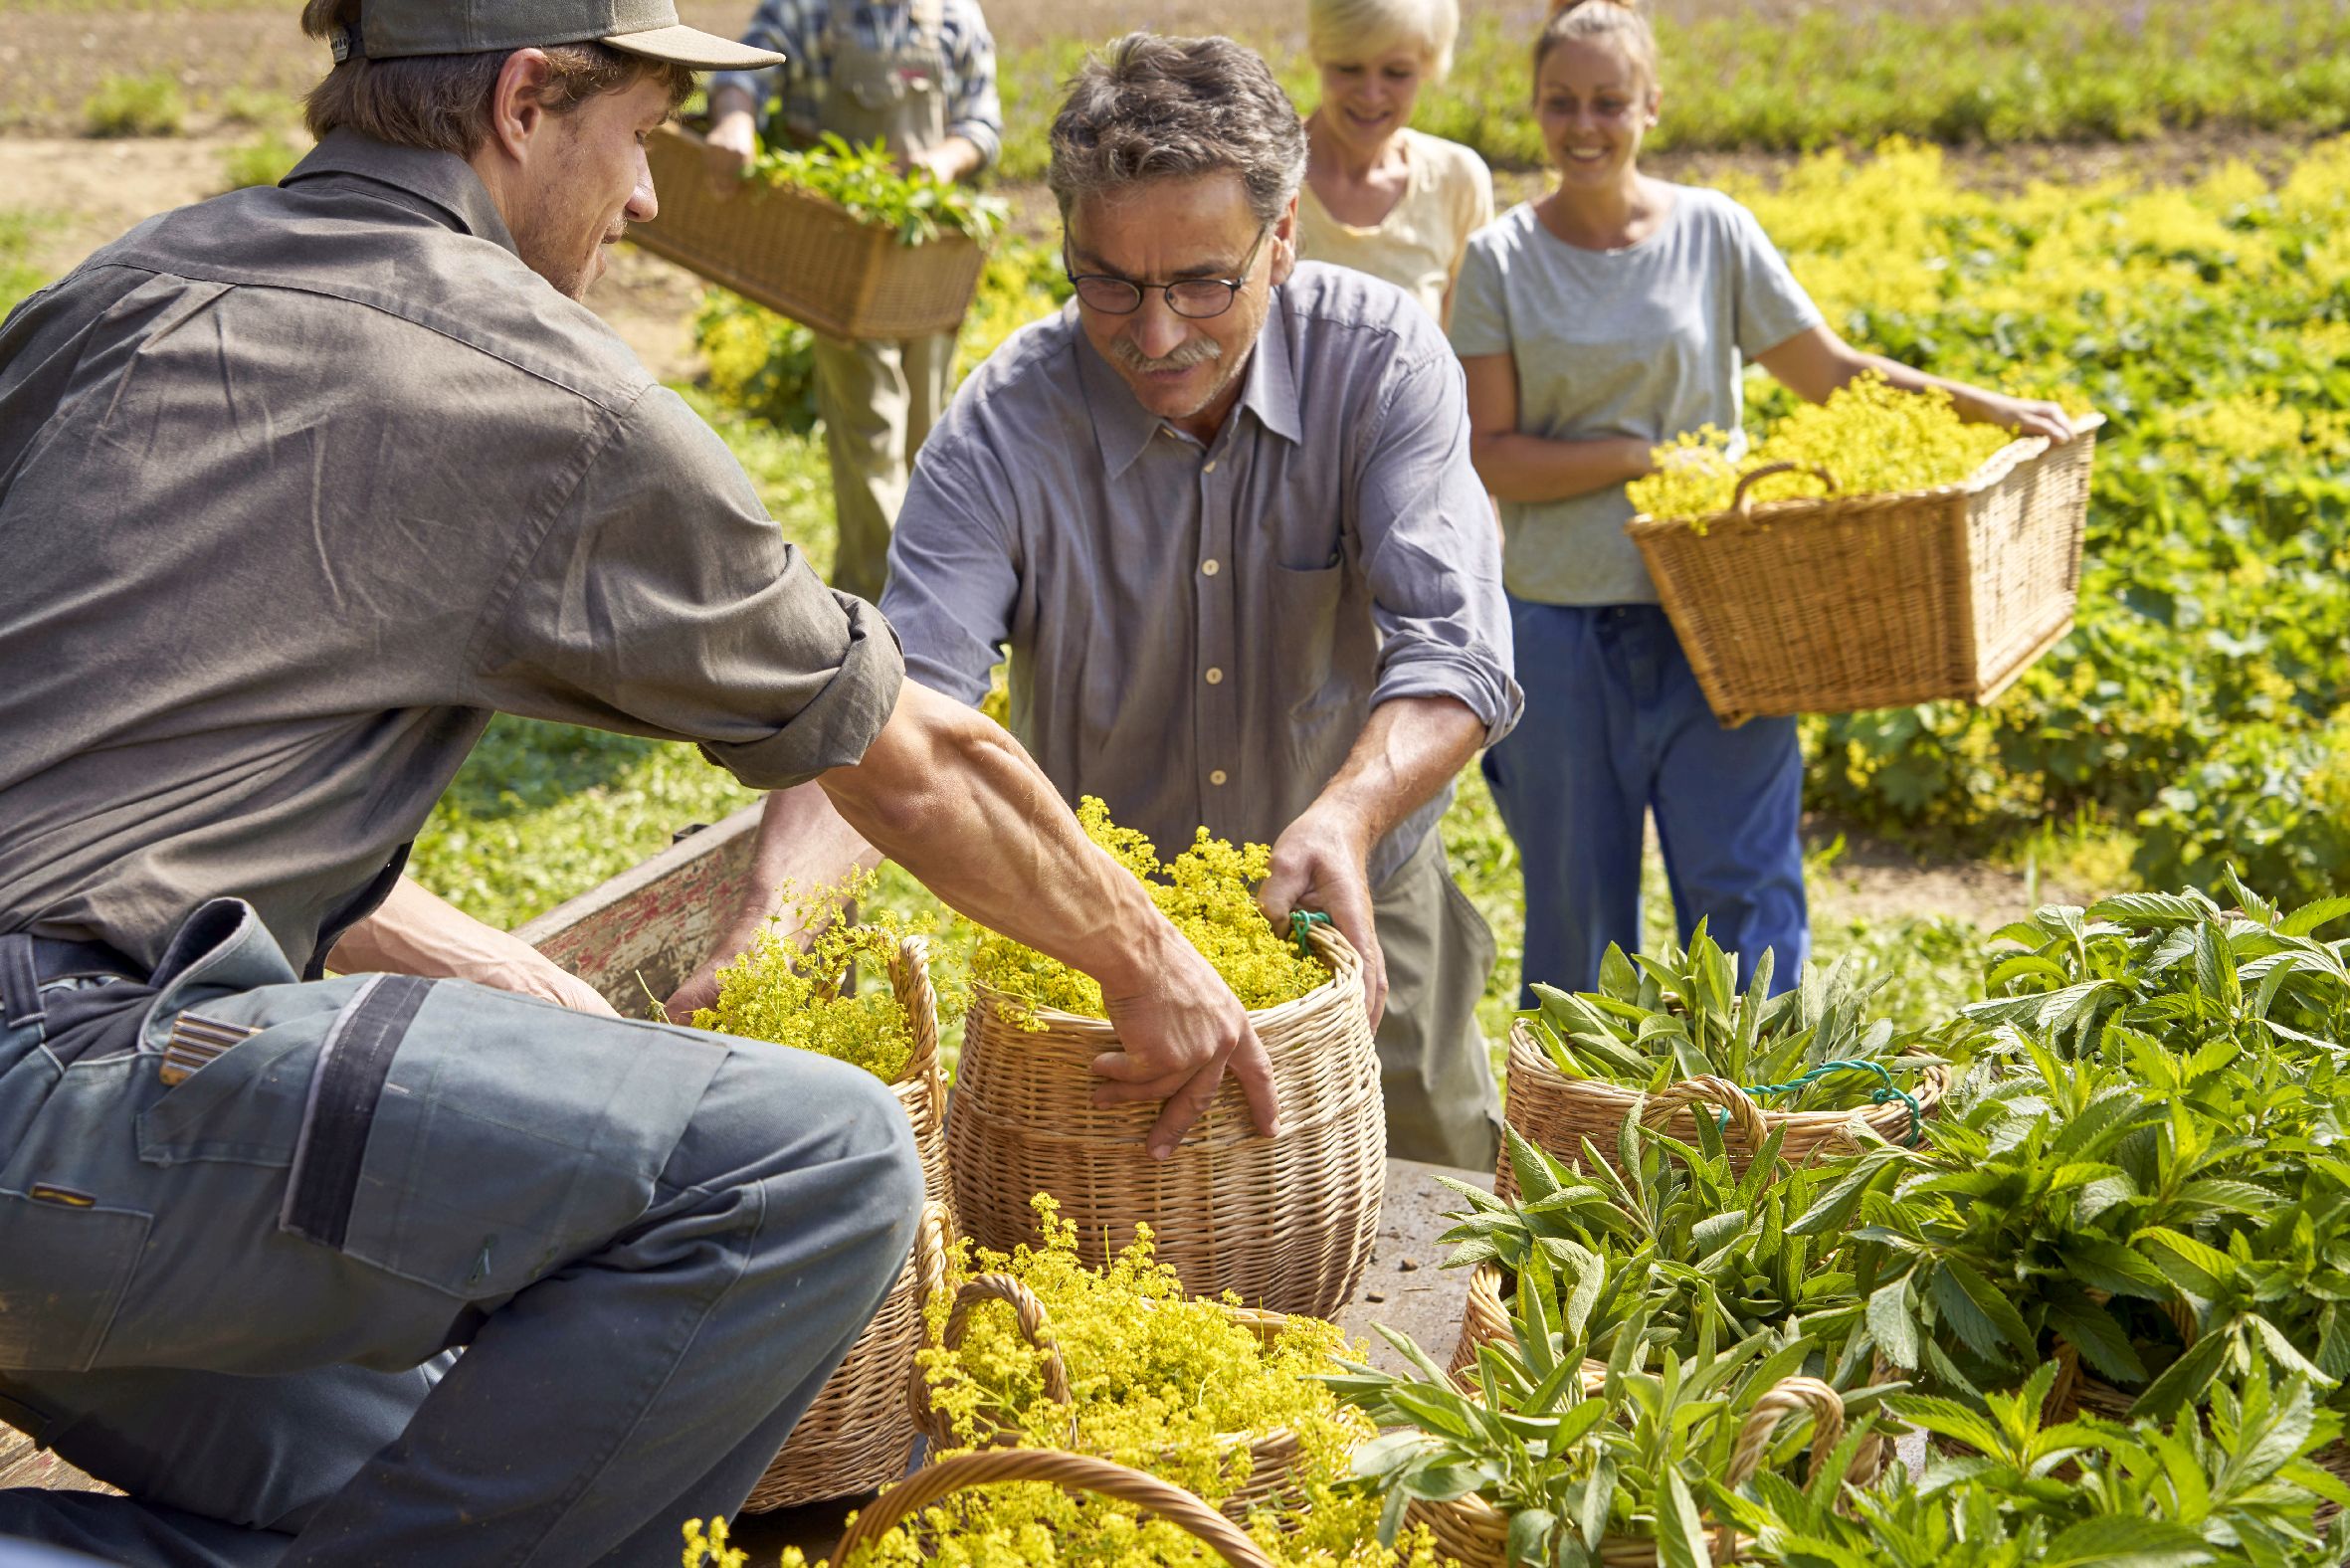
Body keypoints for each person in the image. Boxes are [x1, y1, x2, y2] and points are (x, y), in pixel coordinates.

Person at [0, 3, 1271, 1562]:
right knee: (813, 1163)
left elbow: (113, 764)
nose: (652, 197)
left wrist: (433, 936)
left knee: (449, 1472)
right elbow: (914, 756)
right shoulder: (531, 385)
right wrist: (1151, 963)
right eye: (645, 135)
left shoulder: (115, 292)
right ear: (528, 100)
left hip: (50, 1145)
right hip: (61, 1106)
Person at [675, 32, 1523, 1171]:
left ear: (1281, 240)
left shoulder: (1380, 366)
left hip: (1355, 914)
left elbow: (1455, 653)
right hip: (1102, 954)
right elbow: (892, 709)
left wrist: (1347, 815)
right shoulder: (1001, 429)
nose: (1157, 333)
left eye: (1202, 284)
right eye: (1109, 283)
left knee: (1432, 1217)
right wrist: (772, 926)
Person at [1450, 0, 2074, 1002]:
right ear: (1533, 107)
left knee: (1745, 903)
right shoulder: (1500, 261)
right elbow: (1495, 458)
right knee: (1577, 916)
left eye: (1608, 101)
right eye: (1560, 102)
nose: (1583, 125)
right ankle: (1573, 1142)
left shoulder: (1714, 232)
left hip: (1730, 621)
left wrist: (1989, 408)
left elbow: (1831, 371)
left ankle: (1765, 1133)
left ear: (1651, 104)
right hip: (1559, 630)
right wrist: (1643, 457)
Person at [700, 0, 1003, 604]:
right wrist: (734, 120)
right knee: (869, 431)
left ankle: (911, 599)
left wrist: (942, 162)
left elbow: (983, 124)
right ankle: (883, 611)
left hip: (927, 249)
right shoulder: (811, 10)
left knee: (926, 435)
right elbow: (742, 73)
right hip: (842, 252)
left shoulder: (951, 17)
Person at [1296, 0, 1492, 327]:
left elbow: (1466, 348)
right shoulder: (1263, 173)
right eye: (1349, 68)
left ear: (1428, 67)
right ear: (1319, 54)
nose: (1371, 95)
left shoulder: (1456, 180)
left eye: (1396, 73)